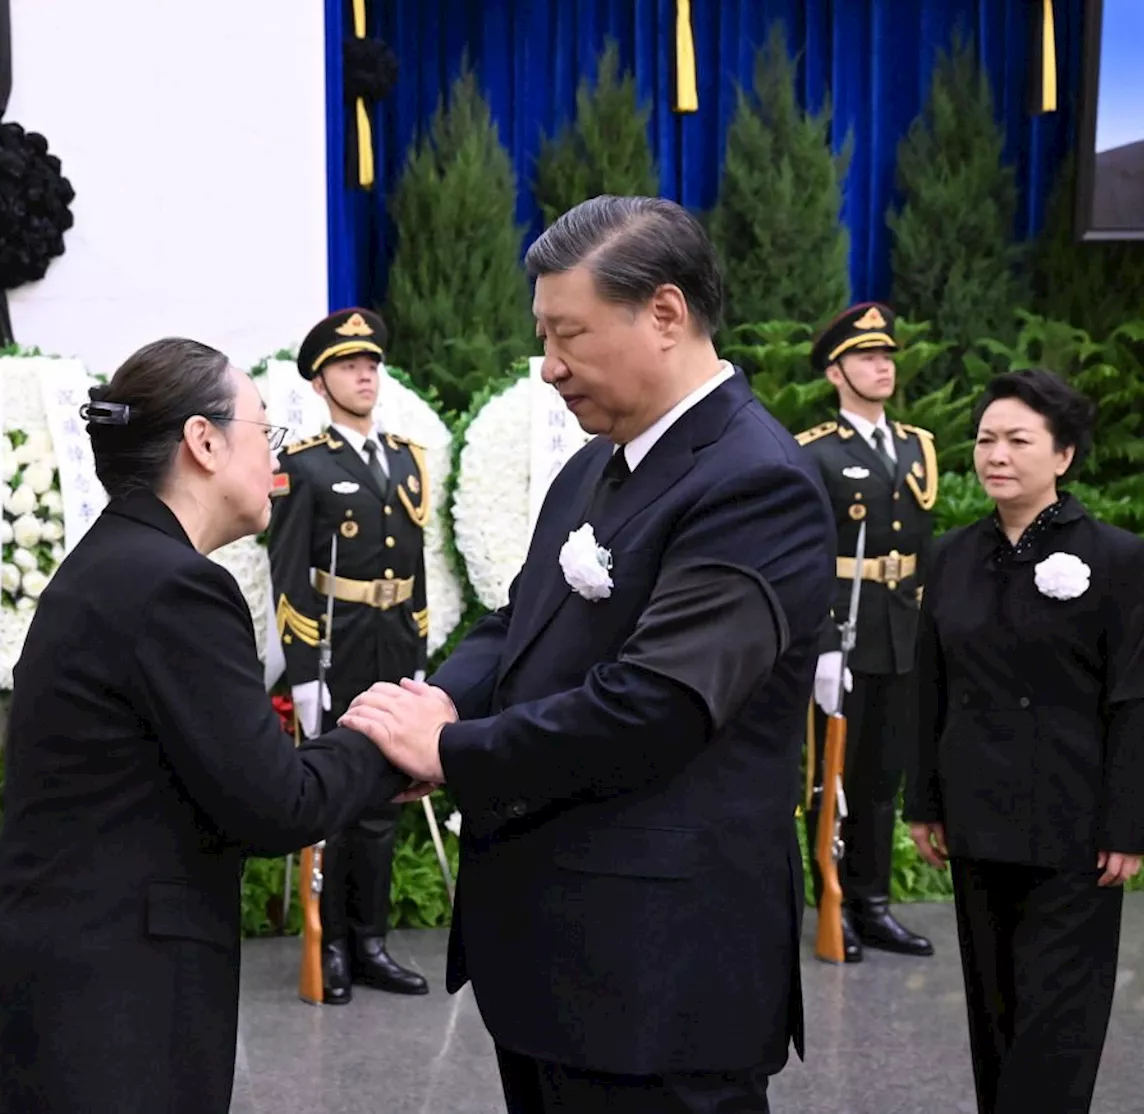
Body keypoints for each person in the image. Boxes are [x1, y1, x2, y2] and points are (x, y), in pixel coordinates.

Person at [340, 195, 837, 1114]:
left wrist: (450, 755)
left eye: (569, 334)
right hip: (557, 965)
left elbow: (658, 704)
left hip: (660, 981)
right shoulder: (597, 462)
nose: (549, 366)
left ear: (665, 314)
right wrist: (440, 705)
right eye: (542, 335)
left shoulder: (753, 481)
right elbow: (516, 623)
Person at [0, 338, 410, 1114]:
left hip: (64, 991)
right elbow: (277, 806)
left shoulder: (116, 559)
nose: (275, 462)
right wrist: (388, 738)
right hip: (107, 1014)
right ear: (204, 442)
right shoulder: (175, 586)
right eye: (262, 433)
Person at [905, 369, 1144, 1114]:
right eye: (985, 439)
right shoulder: (949, 556)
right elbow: (929, 684)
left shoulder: (1116, 557)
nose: (996, 454)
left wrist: (1128, 824)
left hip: (1073, 824)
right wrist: (925, 802)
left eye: (1018, 440)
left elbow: (1134, 697)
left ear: (1063, 456)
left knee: (1057, 1023)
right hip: (979, 815)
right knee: (996, 1011)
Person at [267, 307, 430, 1004]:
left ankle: (370, 942)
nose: (364, 374)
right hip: (335, 643)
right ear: (319, 380)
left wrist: (419, 650)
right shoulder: (303, 466)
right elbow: (288, 571)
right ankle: (328, 942)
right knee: (335, 798)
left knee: (385, 797)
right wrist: (302, 672)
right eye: (347, 366)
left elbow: (415, 560)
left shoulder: (404, 455)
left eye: (371, 364)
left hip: (392, 638)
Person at [795, 302, 936, 962]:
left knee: (882, 777)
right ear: (835, 372)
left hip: (900, 630)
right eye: (866, 357)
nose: (883, 366)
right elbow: (805, 557)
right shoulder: (816, 453)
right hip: (843, 634)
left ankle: (874, 902)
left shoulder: (916, 447)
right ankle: (834, 900)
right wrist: (821, 644)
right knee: (834, 775)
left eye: (887, 356)